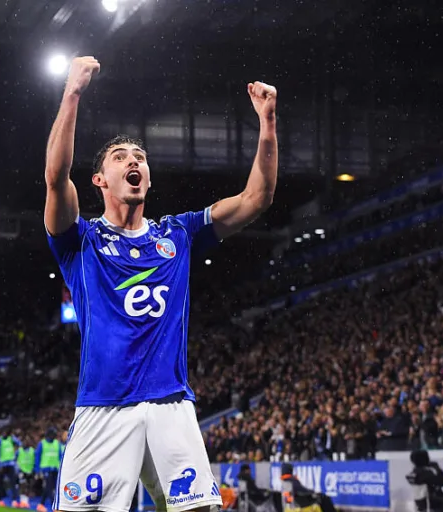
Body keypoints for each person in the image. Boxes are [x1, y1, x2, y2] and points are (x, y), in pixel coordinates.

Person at [44, 55, 277, 512]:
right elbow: (55, 179)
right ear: (100, 180)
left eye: (140, 158)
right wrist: (72, 92)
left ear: (147, 179)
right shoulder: (80, 240)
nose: (133, 161)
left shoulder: (179, 233)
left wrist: (267, 123)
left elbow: (257, 198)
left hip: (171, 404)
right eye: (120, 157)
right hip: (105, 406)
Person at [34, 427, 63, 512]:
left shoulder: (57, 444)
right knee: (49, 487)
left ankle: (41, 504)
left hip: (55, 469)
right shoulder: (42, 443)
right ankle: (53, 506)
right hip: (45, 469)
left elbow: (60, 456)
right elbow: (37, 457)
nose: (54, 436)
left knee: (49, 488)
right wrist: (37, 470)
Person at [0, 429, 21, 506]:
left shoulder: (11, 439)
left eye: (6, 432)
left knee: (13, 482)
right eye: (3, 432)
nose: (4, 433)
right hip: (2, 464)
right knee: (0, 483)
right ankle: (0, 500)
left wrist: (13, 437)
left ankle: (14, 500)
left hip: (11, 464)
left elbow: (19, 443)